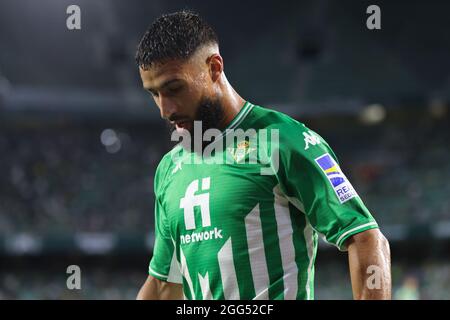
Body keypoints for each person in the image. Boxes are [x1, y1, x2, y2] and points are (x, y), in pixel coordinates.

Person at [134, 10, 391, 300]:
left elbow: (366, 238)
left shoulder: (283, 141)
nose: (165, 109)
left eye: (174, 88)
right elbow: (164, 284)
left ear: (214, 68)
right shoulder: (170, 168)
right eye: (154, 93)